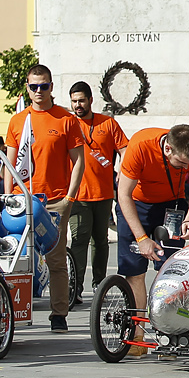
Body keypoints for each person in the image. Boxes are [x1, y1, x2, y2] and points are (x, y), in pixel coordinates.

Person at [4, 64, 85, 331]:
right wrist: (7, 196)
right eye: (34, 86)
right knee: (13, 255)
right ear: (27, 89)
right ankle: (8, 310)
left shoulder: (66, 119)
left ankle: (59, 314)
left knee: (56, 259)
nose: (39, 91)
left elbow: (79, 162)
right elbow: (10, 163)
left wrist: (69, 198)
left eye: (44, 86)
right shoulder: (18, 121)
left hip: (54, 200)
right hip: (22, 199)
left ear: (51, 87)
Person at [117, 125, 189, 320]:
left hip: (172, 206)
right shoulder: (141, 145)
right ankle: (137, 329)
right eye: (181, 163)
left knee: (170, 269)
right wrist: (141, 238)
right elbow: (123, 194)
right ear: (168, 149)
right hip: (136, 204)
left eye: (188, 164)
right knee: (135, 271)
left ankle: (166, 326)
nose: (186, 169)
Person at [67, 81, 128, 307]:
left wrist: (123, 172)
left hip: (103, 194)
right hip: (77, 195)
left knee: (101, 241)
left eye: (81, 100)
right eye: (74, 101)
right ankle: (75, 287)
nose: (78, 105)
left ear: (91, 100)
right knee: (79, 241)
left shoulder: (107, 123)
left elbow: (125, 149)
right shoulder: (68, 124)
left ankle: (99, 284)